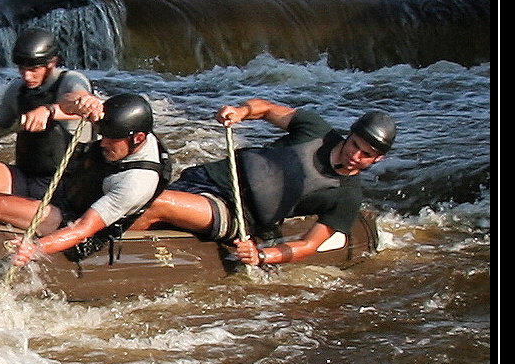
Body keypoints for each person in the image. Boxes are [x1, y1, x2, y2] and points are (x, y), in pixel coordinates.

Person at [129, 98, 396, 267]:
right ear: (349, 134)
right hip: (209, 177)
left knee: (155, 203)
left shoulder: (347, 196)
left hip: (235, 213)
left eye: (366, 155)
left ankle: (110, 253)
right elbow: (267, 109)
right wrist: (240, 111)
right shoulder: (316, 130)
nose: (355, 156)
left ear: (378, 159)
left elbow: (308, 245)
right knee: (132, 195)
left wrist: (262, 256)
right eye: (355, 146)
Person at [0, 28, 95, 222]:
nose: (27, 76)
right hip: (27, 179)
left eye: (34, 69)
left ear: (52, 63)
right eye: (22, 69)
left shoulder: (71, 81)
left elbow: (81, 101)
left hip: (63, 189)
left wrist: (50, 110)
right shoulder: (17, 91)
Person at [8, 93, 171, 266]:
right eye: (103, 135)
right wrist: (80, 102)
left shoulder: (137, 183)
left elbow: (81, 229)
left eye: (111, 139)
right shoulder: (124, 128)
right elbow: (64, 104)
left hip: (80, 230)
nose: (102, 143)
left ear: (138, 138)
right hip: (79, 188)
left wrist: (35, 248)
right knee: (45, 135)